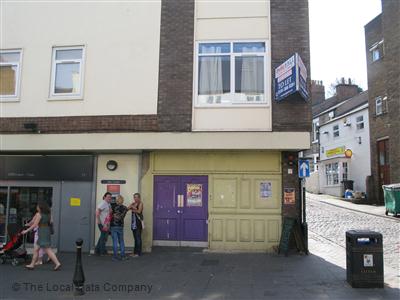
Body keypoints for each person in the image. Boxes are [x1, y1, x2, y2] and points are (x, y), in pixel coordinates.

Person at [22, 201, 61, 271]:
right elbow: (51, 222)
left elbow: (34, 225)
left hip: (42, 232)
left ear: (41, 207)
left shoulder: (39, 215)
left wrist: (26, 231)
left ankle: (57, 263)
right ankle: (32, 264)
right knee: (36, 249)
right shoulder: (49, 214)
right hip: (47, 231)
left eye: (37, 206)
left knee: (47, 249)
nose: (36, 207)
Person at [110, 195, 129, 261]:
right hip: (120, 226)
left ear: (116, 200)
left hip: (113, 226)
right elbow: (127, 210)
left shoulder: (112, 206)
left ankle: (115, 257)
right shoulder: (124, 208)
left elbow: (109, 213)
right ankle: (123, 256)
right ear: (122, 200)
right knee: (121, 241)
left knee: (115, 242)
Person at [128, 193, 144, 257]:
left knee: (138, 238)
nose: (136, 198)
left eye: (137, 197)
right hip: (133, 223)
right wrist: (131, 206)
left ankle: (138, 253)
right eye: (134, 197)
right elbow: (127, 208)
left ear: (139, 198)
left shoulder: (141, 203)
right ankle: (135, 252)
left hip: (138, 223)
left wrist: (133, 207)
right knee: (135, 238)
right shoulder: (133, 203)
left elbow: (139, 211)